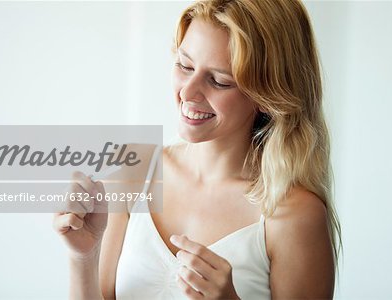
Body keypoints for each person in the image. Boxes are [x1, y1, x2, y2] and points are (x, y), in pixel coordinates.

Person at [53, 0, 343, 299]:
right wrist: (82, 258)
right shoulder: (134, 173)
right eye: (185, 65)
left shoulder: (294, 214)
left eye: (219, 81)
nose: (188, 92)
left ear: (267, 94)